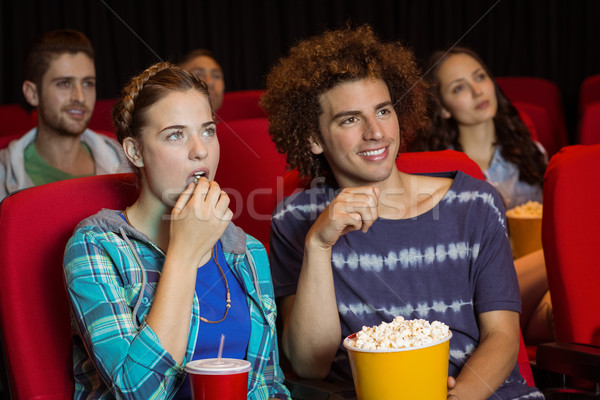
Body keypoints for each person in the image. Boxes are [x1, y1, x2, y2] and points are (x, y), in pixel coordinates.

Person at [261, 25, 544, 399]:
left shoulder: (476, 203)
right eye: (350, 119)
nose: (375, 132)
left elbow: (503, 336)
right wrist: (318, 244)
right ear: (314, 138)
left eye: (383, 110)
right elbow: (311, 363)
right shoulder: (296, 220)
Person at [63, 62, 290, 400]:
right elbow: (138, 391)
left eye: (208, 130)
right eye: (175, 135)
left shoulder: (247, 252)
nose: (200, 150)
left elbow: (268, 387)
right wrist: (184, 255)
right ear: (135, 151)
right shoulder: (96, 246)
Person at [410, 47, 554, 346]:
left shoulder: (533, 154)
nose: (477, 91)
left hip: (538, 286)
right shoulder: (441, 172)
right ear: (445, 107)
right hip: (478, 290)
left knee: (558, 309)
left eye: (480, 77)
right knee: (567, 254)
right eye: (459, 87)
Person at [0, 29, 129, 202]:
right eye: (64, 83)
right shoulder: (4, 173)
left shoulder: (125, 162)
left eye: (88, 83)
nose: (80, 97)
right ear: (32, 93)